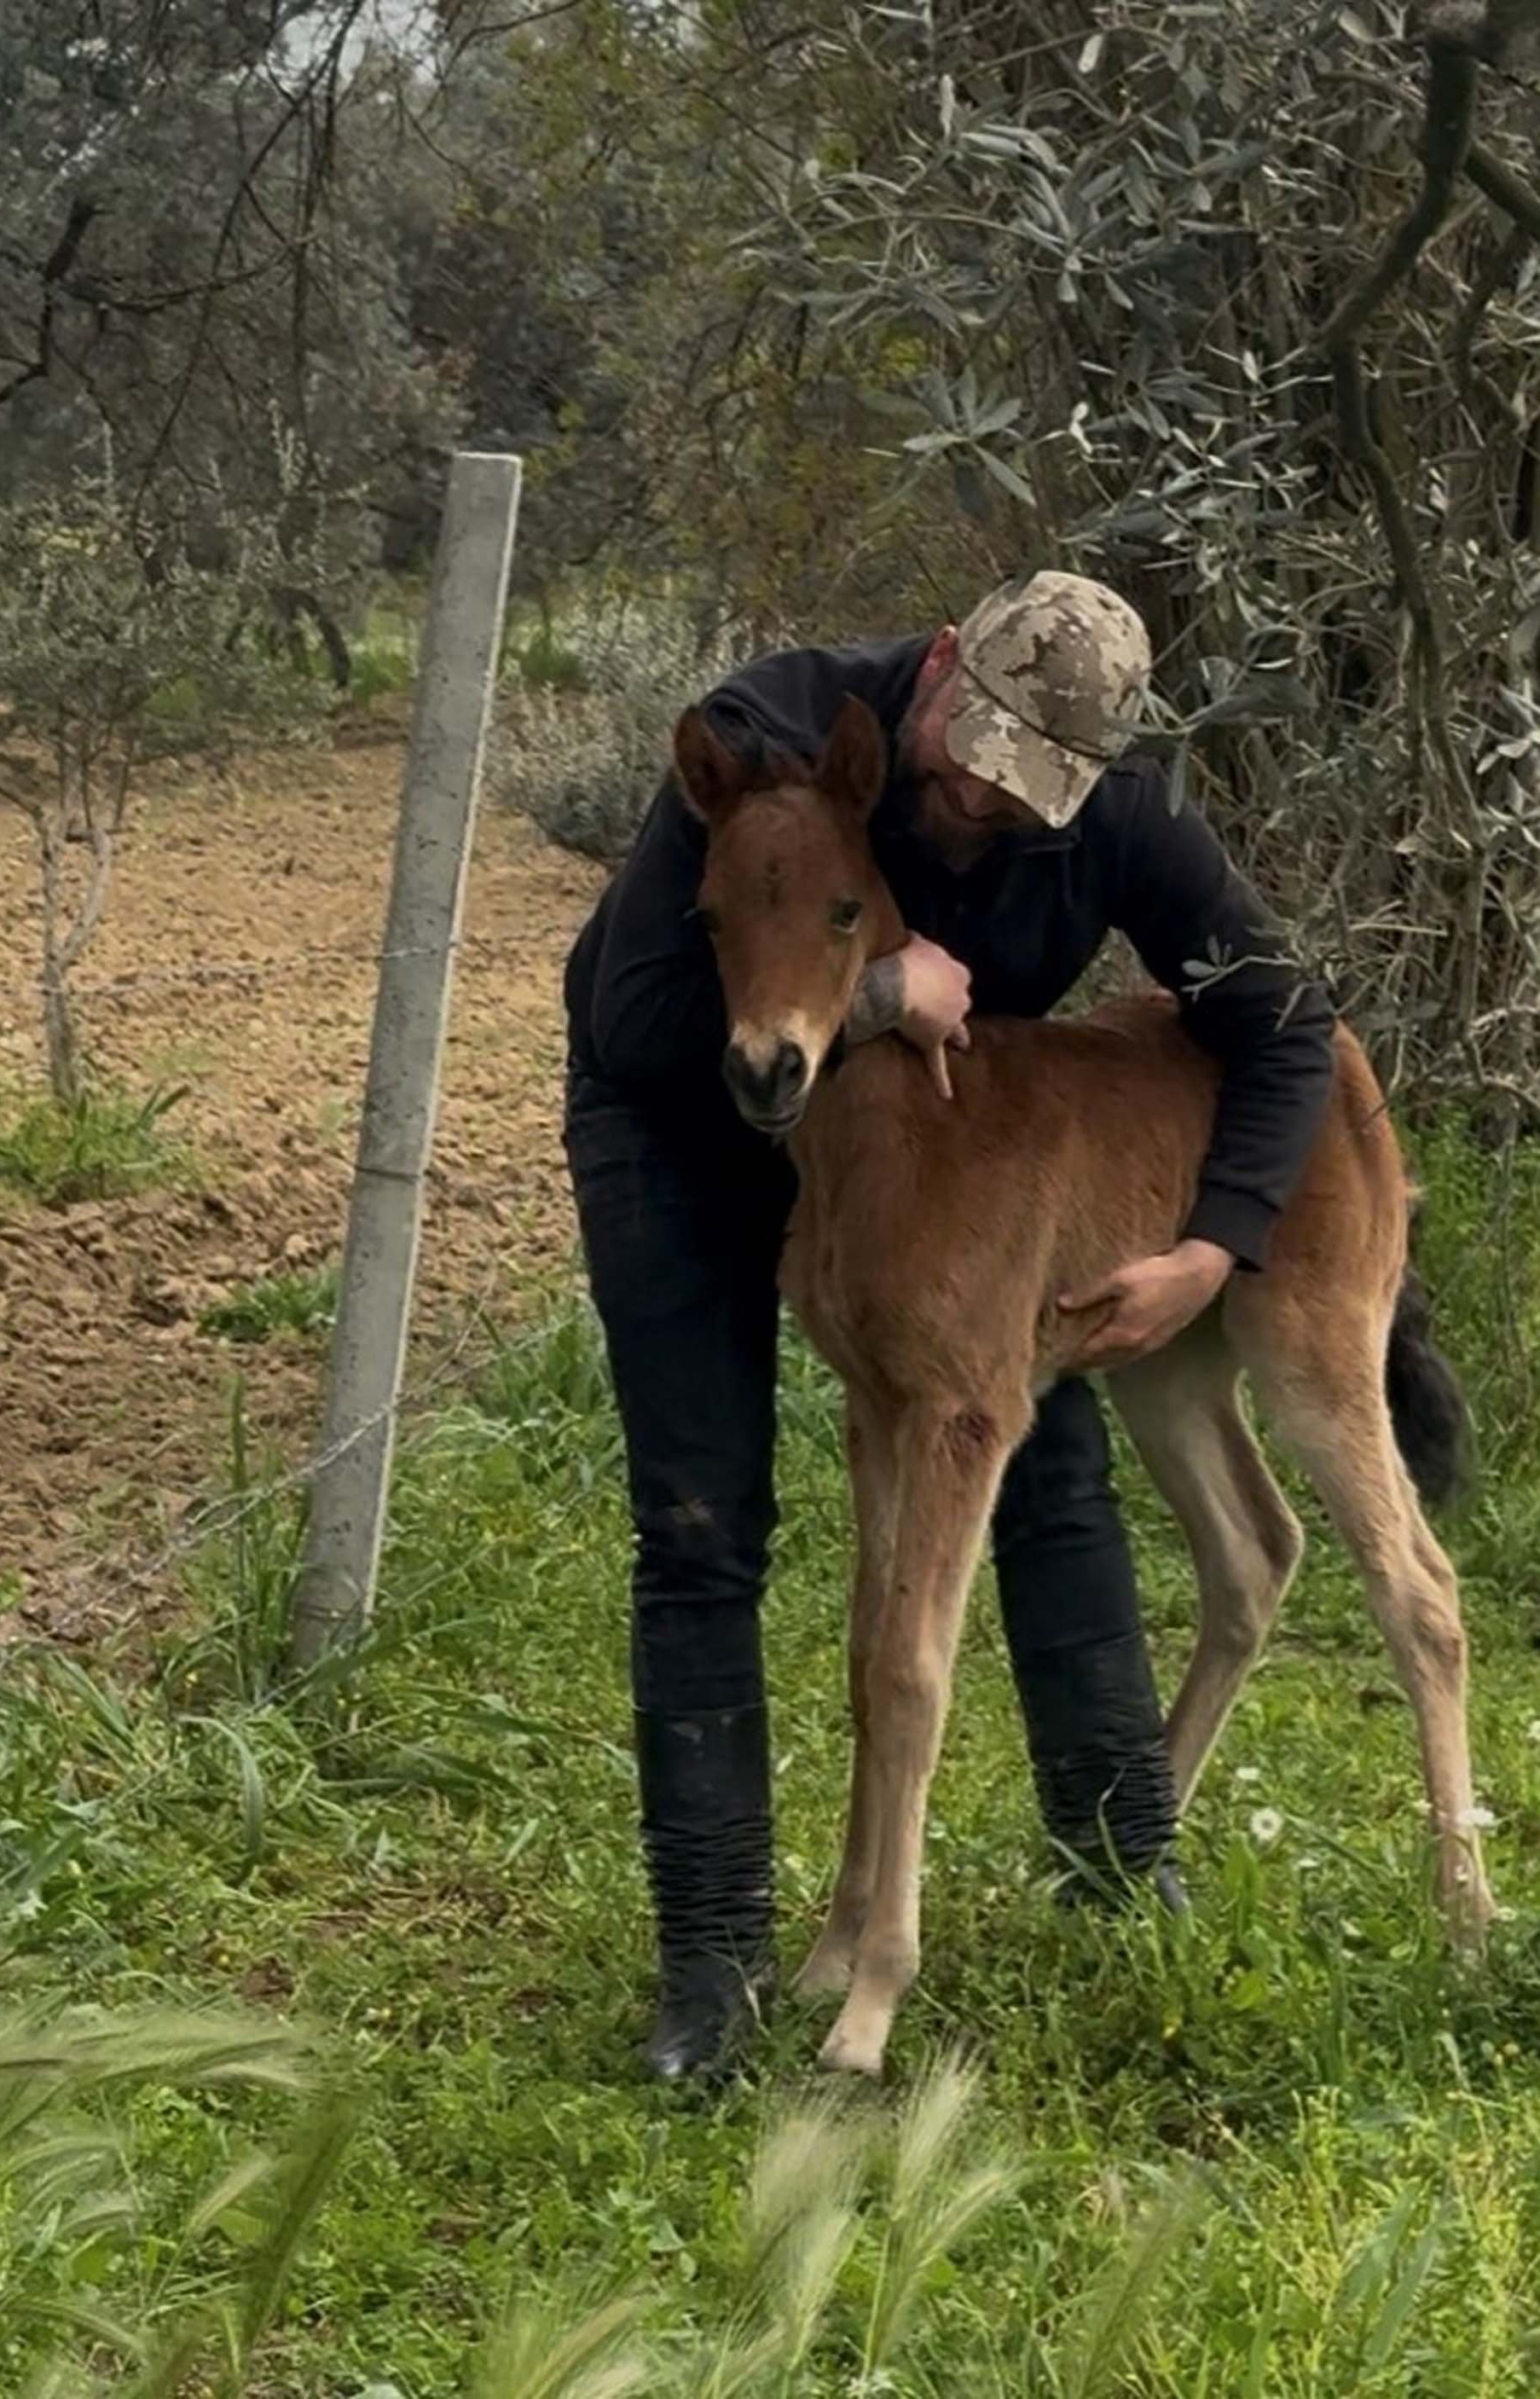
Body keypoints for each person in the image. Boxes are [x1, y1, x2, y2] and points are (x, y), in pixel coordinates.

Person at [559, 568, 1339, 2081]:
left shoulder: (1117, 814)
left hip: (910, 1153)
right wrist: (870, 994)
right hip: (678, 1115)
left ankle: (1121, 1850)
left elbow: (1282, 1021)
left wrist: (1209, 1250)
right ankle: (712, 1964)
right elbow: (637, 1018)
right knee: (703, 1512)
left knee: (1031, 1444)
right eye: (961, 765)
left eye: (1018, 796)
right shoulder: (772, 743)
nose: (979, 801)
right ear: (933, 674)